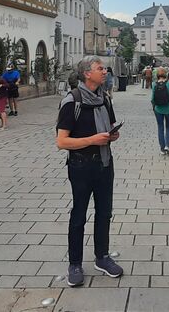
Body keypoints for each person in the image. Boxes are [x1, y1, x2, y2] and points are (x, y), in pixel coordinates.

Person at [55, 56, 124, 287]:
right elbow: (62, 142)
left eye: (104, 68)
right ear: (87, 74)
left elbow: (111, 126)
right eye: (100, 69)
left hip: (105, 164)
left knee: (104, 212)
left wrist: (112, 135)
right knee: (79, 215)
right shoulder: (71, 102)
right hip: (81, 166)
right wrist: (93, 140)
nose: (104, 72)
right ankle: (75, 263)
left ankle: (102, 257)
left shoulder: (103, 98)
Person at [151, 68, 169, 155]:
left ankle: (162, 148)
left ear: (157, 75)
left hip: (158, 109)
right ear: (165, 75)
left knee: (160, 128)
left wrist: (154, 108)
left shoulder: (154, 84)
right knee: (168, 127)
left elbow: (152, 99)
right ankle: (167, 144)